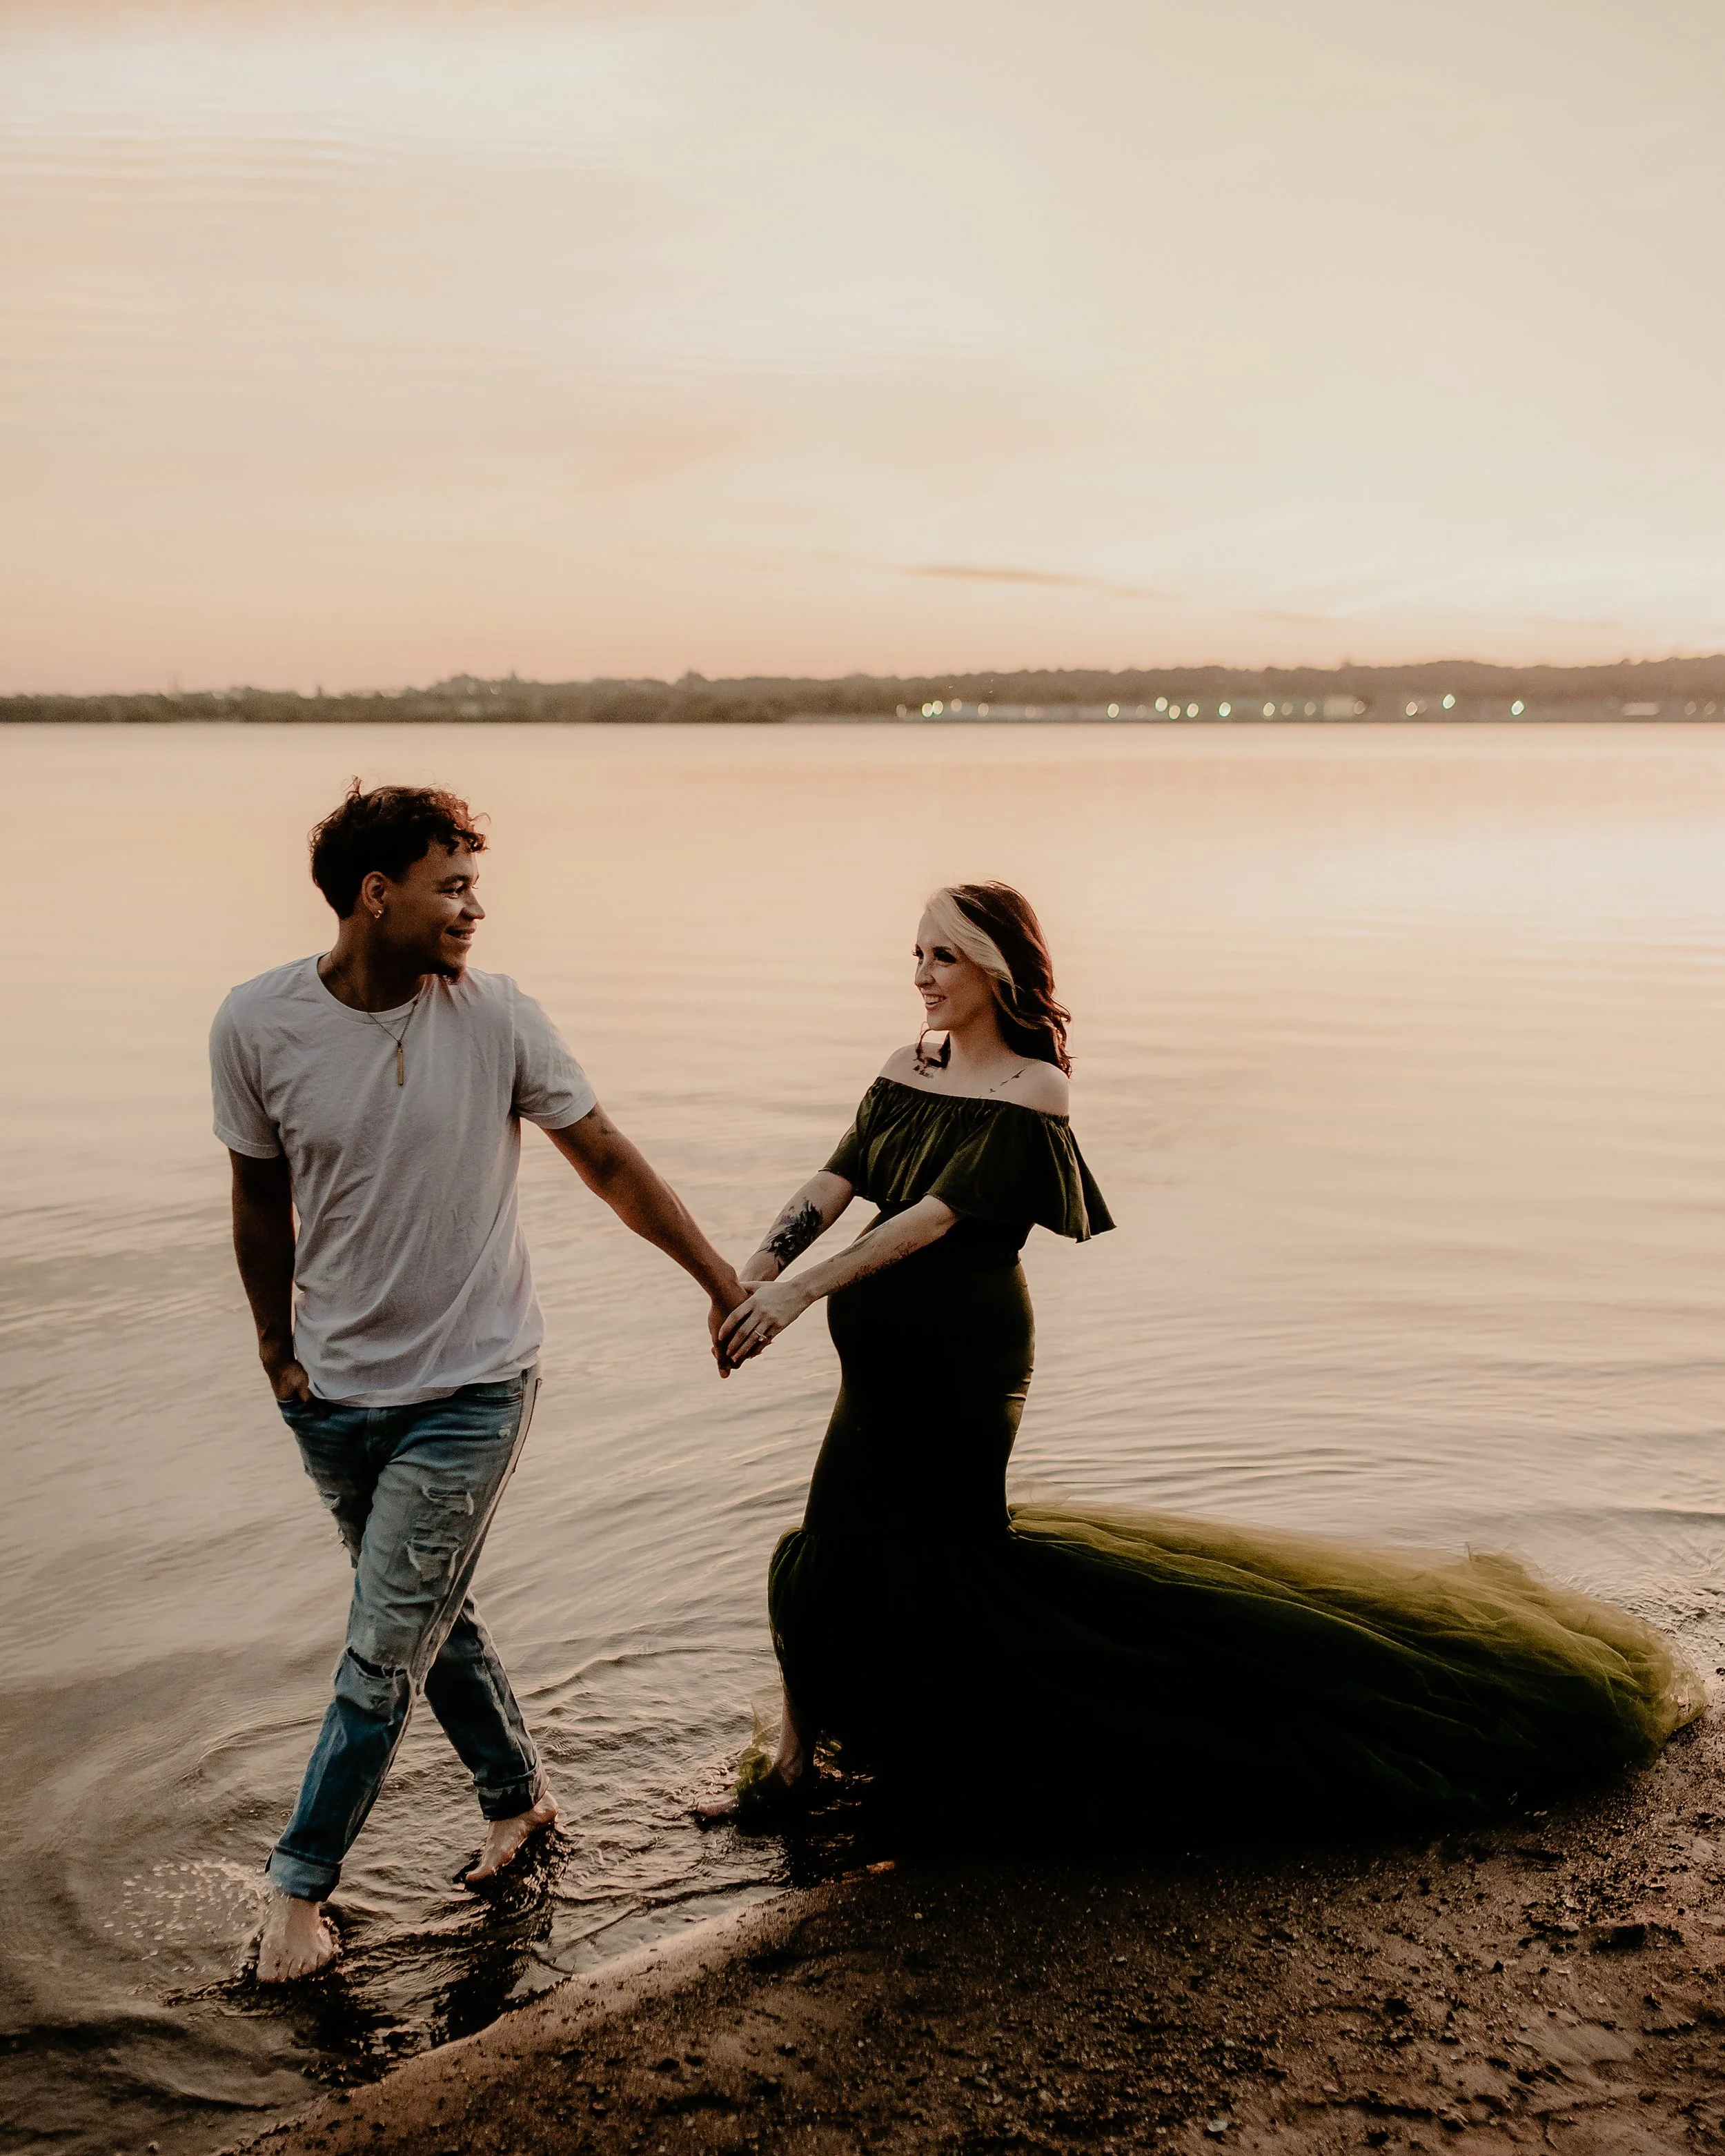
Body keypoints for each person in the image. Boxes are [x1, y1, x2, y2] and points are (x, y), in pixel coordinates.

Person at [707, 882, 1700, 1829]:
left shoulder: (1034, 1086)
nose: (923, 974)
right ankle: (806, 1762)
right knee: (832, 1538)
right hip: (874, 1354)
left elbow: (929, 1219)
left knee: (946, 1551)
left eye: (945, 955)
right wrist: (751, 1272)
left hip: (965, 1356)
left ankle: (893, 1753)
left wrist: (798, 1294)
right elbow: (838, 1179)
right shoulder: (904, 1066)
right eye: (916, 954)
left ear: (998, 969)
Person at [212, 782, 744, 1983]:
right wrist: (274, 1350)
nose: (474, 909)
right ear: (375, 893)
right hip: (332, 1394)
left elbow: (604, 1158)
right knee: (424, 1617)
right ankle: (520, 1801)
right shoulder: (256, 1024)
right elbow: (258, 1195)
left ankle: (297, 1896)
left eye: (474, 885)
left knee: (381, 1643)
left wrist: (717, 1280)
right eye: (451, 887)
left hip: (474, 1385)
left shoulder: (498, 1017)